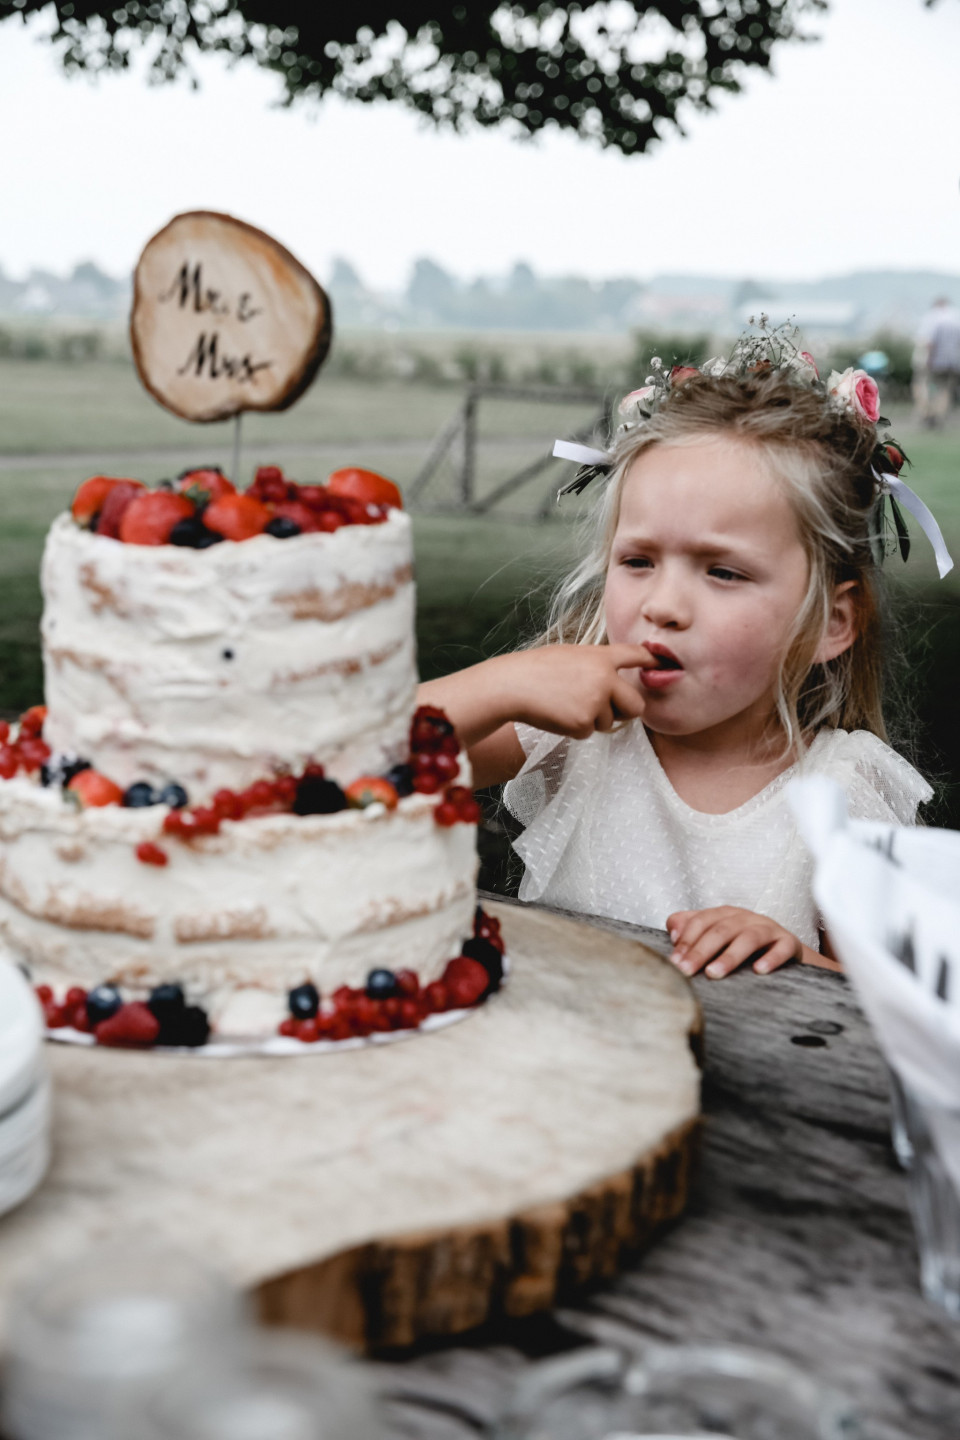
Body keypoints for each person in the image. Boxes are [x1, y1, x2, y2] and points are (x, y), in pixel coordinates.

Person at [419, 336, 946, 981]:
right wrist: (504, 683)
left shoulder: (841, 795)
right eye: (638, 561)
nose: (663, 605)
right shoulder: (567, 736)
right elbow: (355, 767)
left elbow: (900, 1011)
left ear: (830, 623)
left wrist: (799, 959)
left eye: (723, 572)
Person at [915, 296, 960, 427]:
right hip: (953, 362)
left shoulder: (934, 318)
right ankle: (940, 415)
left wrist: (929, 359)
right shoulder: (956, 318)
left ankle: (929, 414)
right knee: (945, 389)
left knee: (928, 386)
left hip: (936, 362)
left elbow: (929, 342)